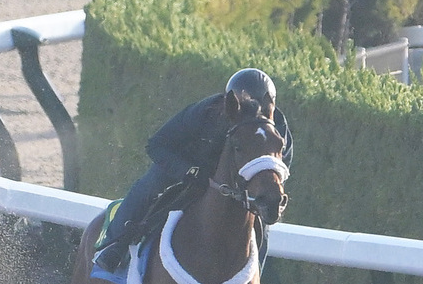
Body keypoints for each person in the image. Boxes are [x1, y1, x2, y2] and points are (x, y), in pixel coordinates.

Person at [92, 68, 293, 273]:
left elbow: (281, 164)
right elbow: (157, 145)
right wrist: (188, 170)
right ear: (232, 104)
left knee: (261, 225)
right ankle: (113, 247)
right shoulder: (204, 111)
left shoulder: (278, 126)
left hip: (237, 178)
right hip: (189, 165)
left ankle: (256, 282)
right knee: (149, 186)